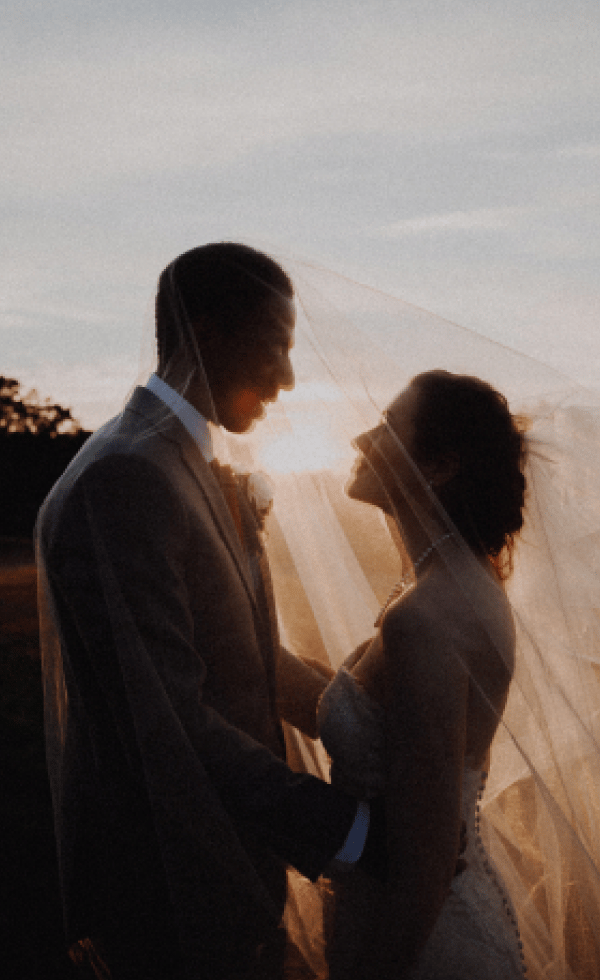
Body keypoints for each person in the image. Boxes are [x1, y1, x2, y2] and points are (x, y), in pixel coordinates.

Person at [36, 243, 385, 980]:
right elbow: (168, 715)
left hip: (222, 875)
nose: (288, 381)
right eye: (276, 349)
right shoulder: (126, 477)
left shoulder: (184, 464)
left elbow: (248, 661)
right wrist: (353, 832)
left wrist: (377, 729)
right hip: (169, 895)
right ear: (210, 333)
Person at [290, 371, 528, 978]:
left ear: (440, 466)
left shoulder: (426, 616)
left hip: (422, 945)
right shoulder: (449, 585)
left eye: (388, 427)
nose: (360, 440)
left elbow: (426, 865)